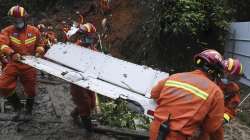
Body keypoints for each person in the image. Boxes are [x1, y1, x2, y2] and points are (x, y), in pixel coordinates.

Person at [149, 49, 225, 140]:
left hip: (155, 130)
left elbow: (154, 93)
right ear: (215, 72)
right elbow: (211, 127)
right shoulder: (216, 92)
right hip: (177, 136)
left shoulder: (175, 76)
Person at [0, 5, 44, 121]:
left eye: (19, 19)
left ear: (25, 18)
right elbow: (2, 44)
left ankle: (28, 111)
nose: (17, 22)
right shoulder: (7, 31)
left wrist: (39, 51)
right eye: (14, 20)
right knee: (3, 86)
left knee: (31, 90)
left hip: (29, 64)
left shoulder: (34, 31)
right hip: (14, 63)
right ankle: (18, 107)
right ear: (11, 20)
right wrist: (11, 52)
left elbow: (40, 44)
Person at [68, 23, 97, 131]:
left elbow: (96, 58)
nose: (91, 39)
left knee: (92, 103)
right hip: (77, 80)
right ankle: (88, 129)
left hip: (88, 80)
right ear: (83, 36)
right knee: (84, 104)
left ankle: (74, 114)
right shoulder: (75, 48)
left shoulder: (91, 47)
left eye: (91, 37)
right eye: (89, 37)